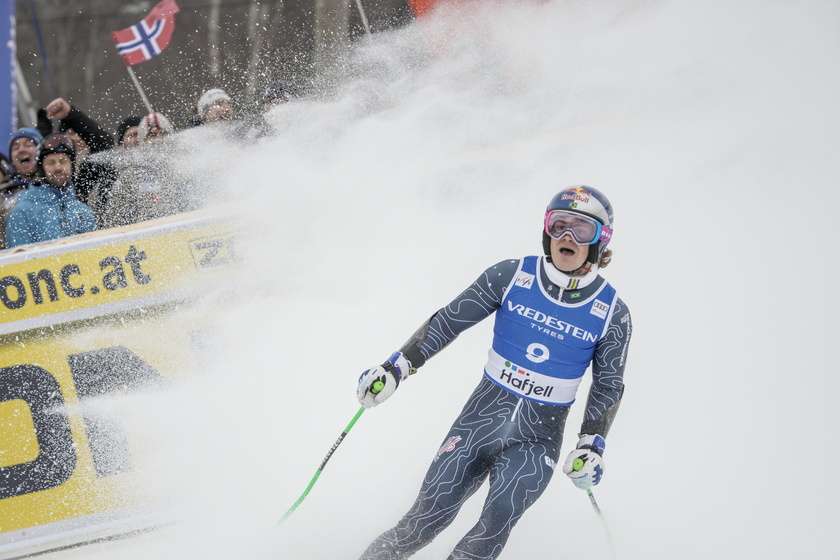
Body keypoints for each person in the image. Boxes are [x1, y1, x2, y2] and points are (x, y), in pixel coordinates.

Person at [355, 186, 632, 560]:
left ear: (600, 242)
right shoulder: (511, 274)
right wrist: (397, 366)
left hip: (537, 441)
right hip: (478, 424)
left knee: (495, 521)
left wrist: (591, 444)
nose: (567, 237)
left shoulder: (613, 311)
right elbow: (450, 320)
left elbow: (609, 383)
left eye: (581, 230)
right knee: (422, 520)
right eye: (558, 225)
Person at [5, 133, 97, 248]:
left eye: (63, 161)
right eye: (51, 163)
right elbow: (18, 261)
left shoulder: (83, 211)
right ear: (42, 170)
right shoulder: (22, 212)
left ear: (72, 166)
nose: (58, 167)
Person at [41, 98, 117, 211]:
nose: (78, 138)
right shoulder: (56, 167)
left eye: (81, 134)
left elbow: (105, 144)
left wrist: (70, 115)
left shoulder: (92, 168)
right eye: (72, 134)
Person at [0, 128, 44, 249]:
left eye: (28, 145)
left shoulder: (55, 185)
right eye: (15, 148)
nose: (21, 150)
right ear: (12, 162)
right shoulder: (3, 193)